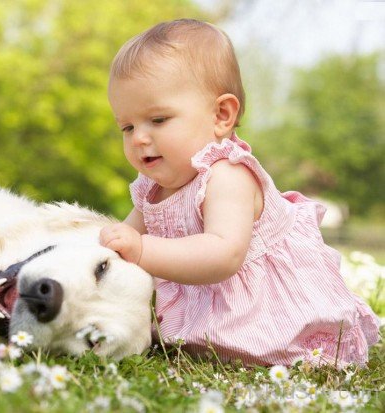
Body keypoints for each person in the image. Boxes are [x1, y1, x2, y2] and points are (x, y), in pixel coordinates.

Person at [99, 19, 380, 367]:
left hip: (266, 309)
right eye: (127, 126)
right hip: (208, 305)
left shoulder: (227, 174)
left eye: (157, 120)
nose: (139, 138)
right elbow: (123, 238)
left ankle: (291, 346)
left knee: (287, 350)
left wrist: (141, 249)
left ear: (221, 115)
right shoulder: (151, 188)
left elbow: (223, 254)